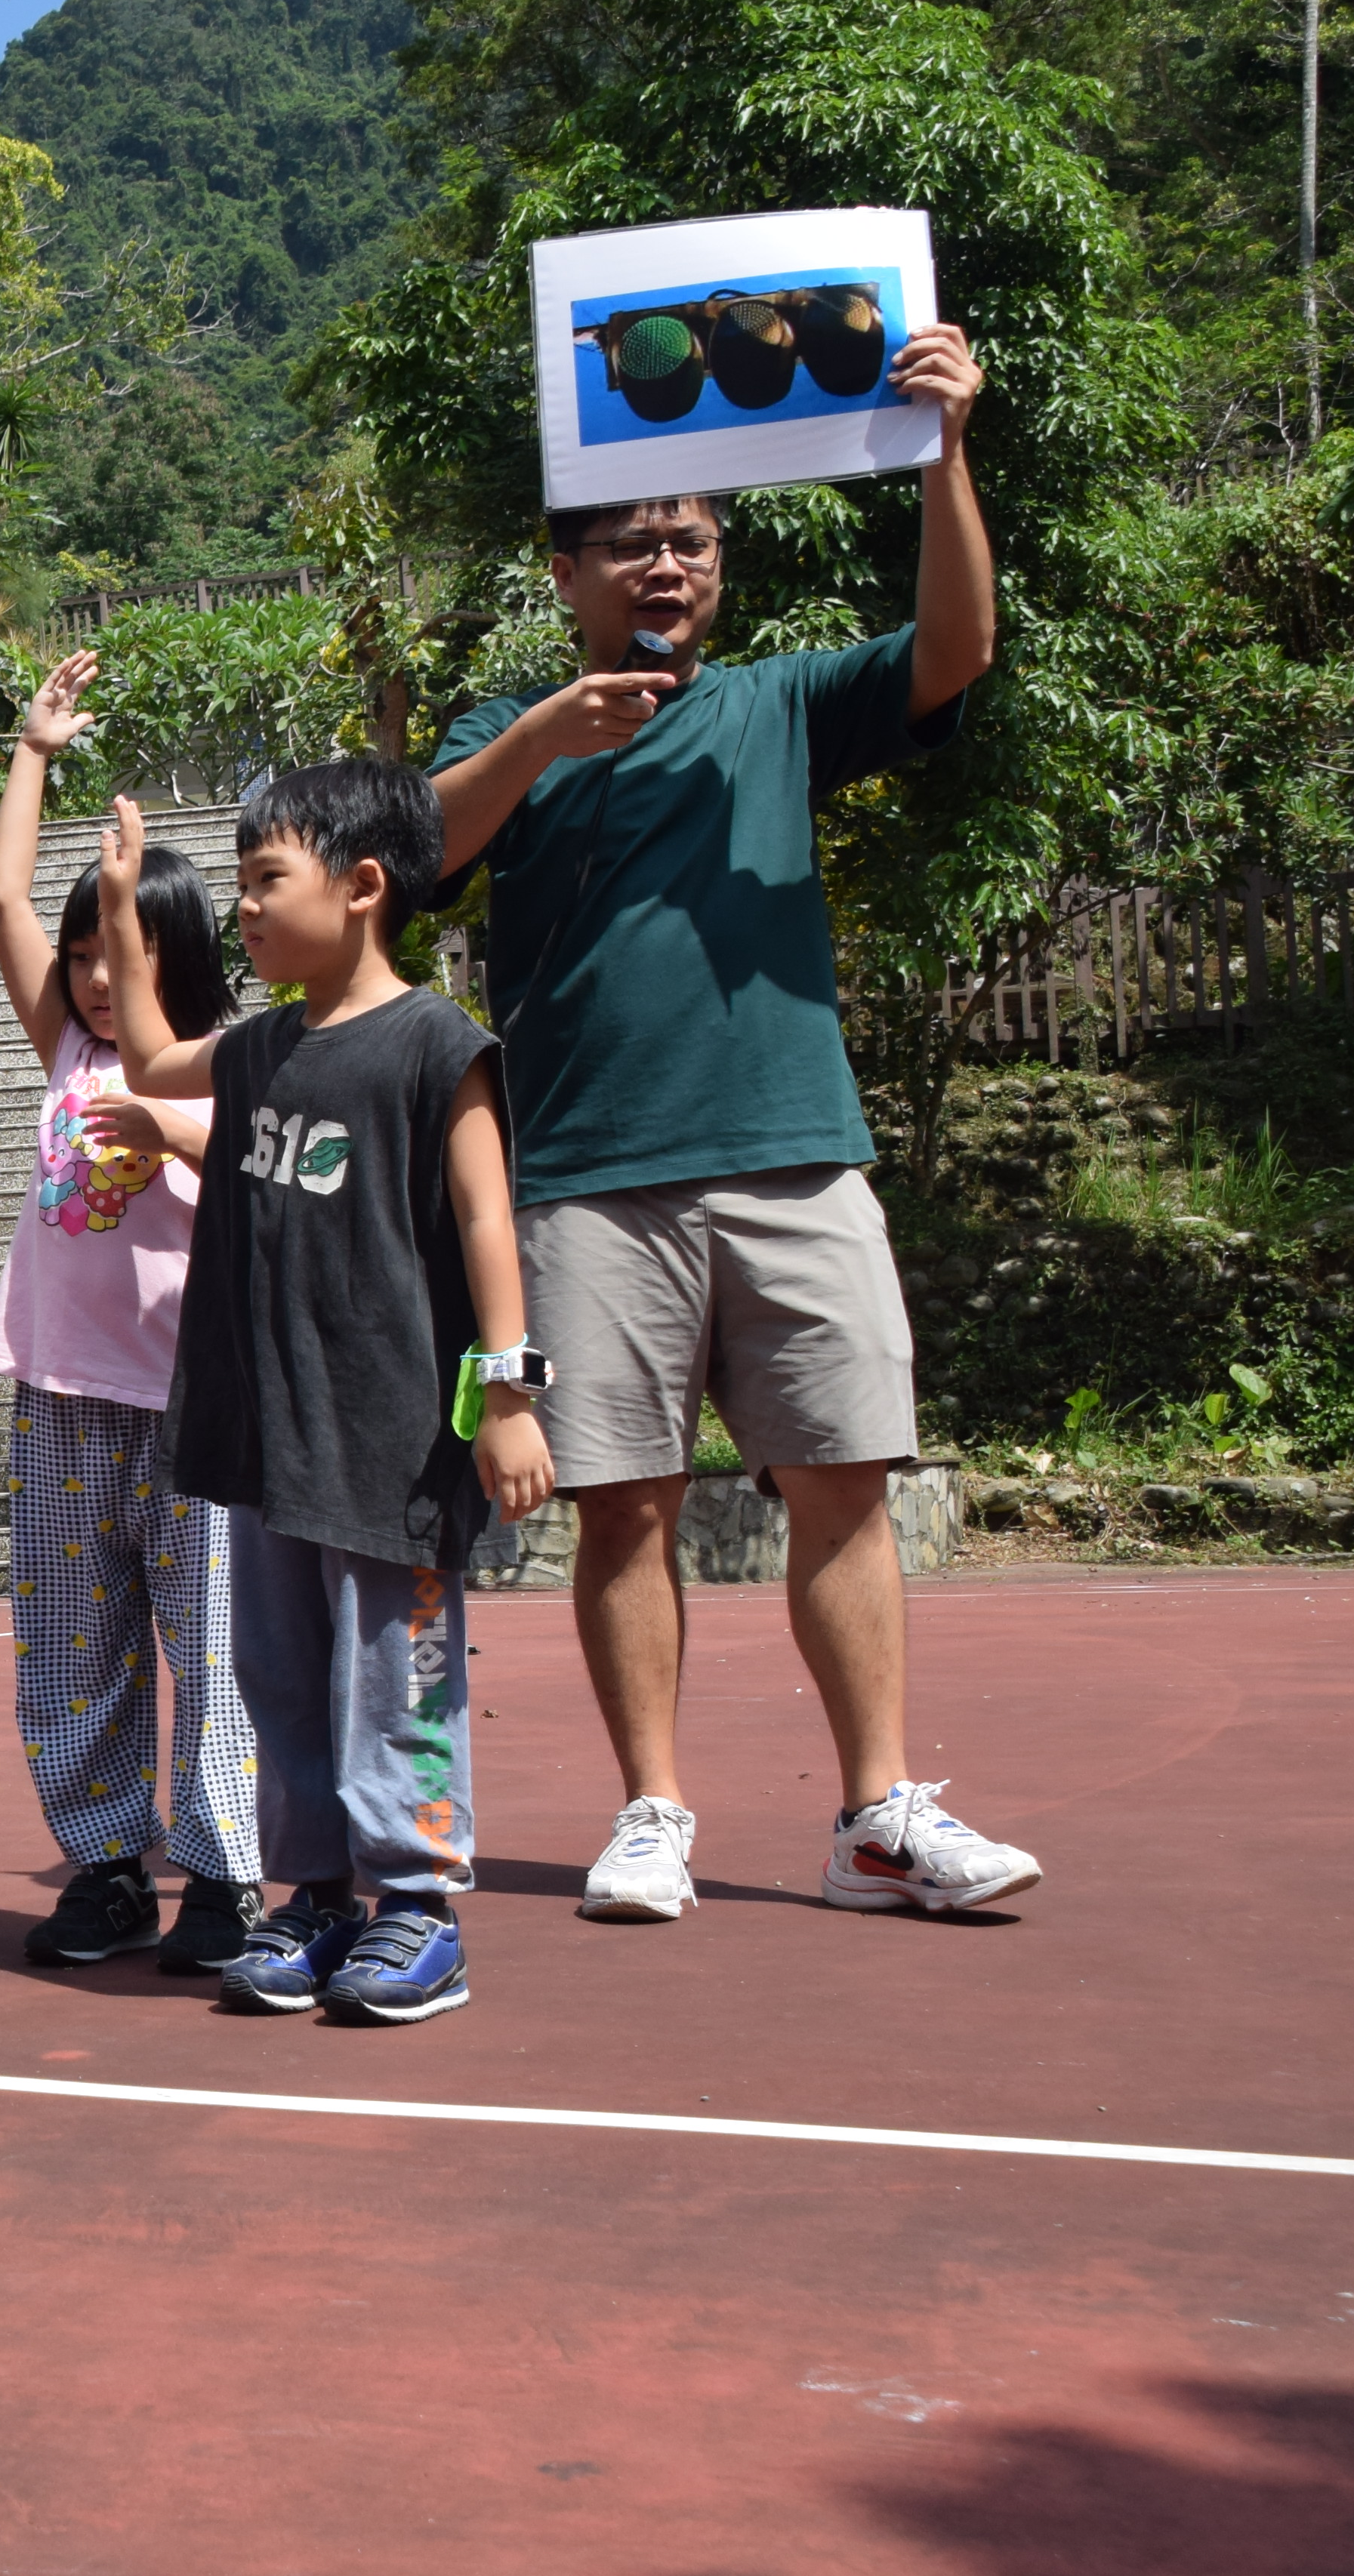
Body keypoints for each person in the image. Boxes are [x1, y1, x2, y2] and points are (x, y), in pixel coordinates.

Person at [429, 324, 1039, 1925]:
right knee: (620, 1500)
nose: (663, 560)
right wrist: (543, 735)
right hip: (586, 1180)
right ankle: (651, 1811)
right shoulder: (515, 729)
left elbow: (954, 649)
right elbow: (409, 849)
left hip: (793, 1151)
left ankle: (878, 1814)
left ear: (721, 564)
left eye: (689, 537)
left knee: (844, 1473)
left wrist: (946, 451)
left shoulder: (779, 702)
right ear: (564, 569)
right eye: (629, 538)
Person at [94, 765, 554, 2026]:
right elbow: (144, 1053)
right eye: (237, 884)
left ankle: (416, 1907)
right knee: (281, 1680)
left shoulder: (434, 1044)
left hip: (393, 1442)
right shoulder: (256, 1051)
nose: (243, 908)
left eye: (264, 882)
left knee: (393, 1678)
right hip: (266, 1438)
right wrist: (127, 912)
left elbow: (484, 1216)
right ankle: (317, 1900)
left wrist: (509, 1393)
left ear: (361, 888)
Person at [0, 652, 264, 1979]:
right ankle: (103, 1865)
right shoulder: (69, 1052)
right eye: (86, 954)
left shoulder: (239, 1064)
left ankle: (218, 1877)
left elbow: (253, 1174)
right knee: (71, 1643)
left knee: (209, 1650)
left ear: (180, 952)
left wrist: (170, 1123)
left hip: (196, 1407)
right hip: (60, 1393)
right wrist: (34, 753)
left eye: (124, 951)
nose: (96, 978)